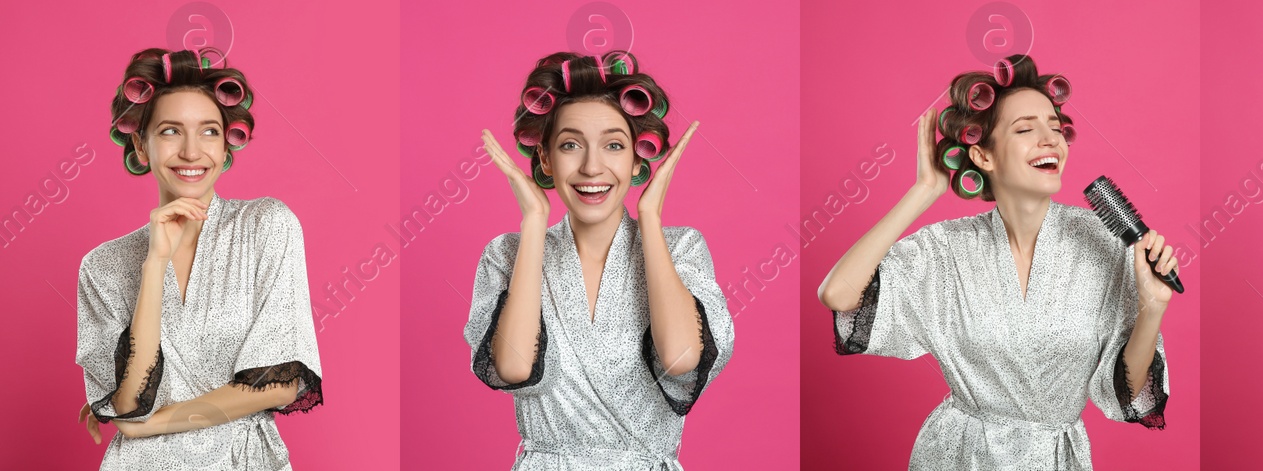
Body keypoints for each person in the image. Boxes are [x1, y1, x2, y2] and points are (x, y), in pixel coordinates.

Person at [817, 54, 1177, 469]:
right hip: (956, 455)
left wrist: (1153, 307)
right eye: (1026, 129)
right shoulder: (946, 250)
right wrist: (923, 193)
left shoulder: (1105, 245)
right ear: (983, 157)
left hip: (1056, 459)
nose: (1051, 140)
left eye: (1056, 128)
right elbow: (838, 294)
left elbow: (1131, 396)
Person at [465, 51, 734, 470]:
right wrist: (534, 222)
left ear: (638, 157)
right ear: (546, 159)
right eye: (571, 145)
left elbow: (680, 358)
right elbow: (515, 366)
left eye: (613, 145)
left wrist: (650, 218)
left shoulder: (681, 249)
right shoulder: (507, 254)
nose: (592, 167)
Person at [75, 47, 324, 470]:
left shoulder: (266, 226)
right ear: (140, 143)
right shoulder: (102, 266)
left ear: (227, 141)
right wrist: (154, 265)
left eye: (209, 131)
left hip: (243, 460)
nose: (192, 152)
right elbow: (131, 400)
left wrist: (145, 425)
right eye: (171, 131)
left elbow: (280, 384)